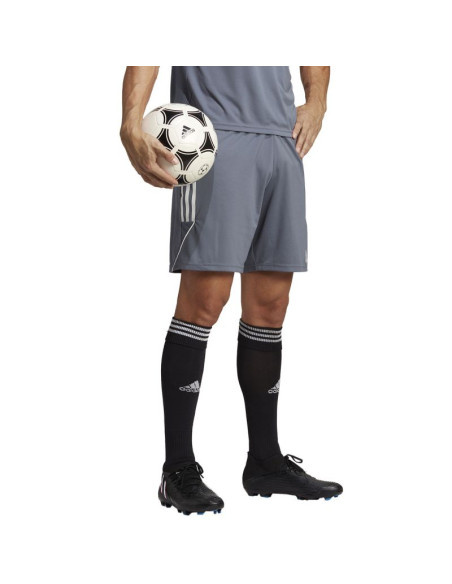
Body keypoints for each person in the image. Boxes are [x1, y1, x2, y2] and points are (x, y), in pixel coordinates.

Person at [120, 66, 343, 516]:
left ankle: (265, 461)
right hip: (211, 138)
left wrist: (317, 100)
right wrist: (130, 121)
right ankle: (177, 469)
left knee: (271, 306)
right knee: (205, 300)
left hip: (281, 140)